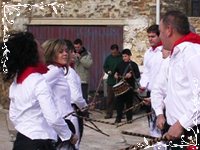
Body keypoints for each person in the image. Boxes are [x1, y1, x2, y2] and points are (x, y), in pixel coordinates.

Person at [0, 32, 77, 150]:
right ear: (33, 54)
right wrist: (68, 135)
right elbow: (53, 117)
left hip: (22, 140)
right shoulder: (38, 81)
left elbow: (13, 115)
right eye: (40, 47)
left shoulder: (18, 81)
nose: (43, 50)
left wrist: (26, 127)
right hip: (39, 142)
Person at [158, 10, 200, 149]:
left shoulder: (192, 53)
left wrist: (181, 124)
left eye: (160, 32)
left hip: (190, 131)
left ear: (169, 30)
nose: (160, 37)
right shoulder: (176, 55)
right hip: (177, 130)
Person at [42, 39, 78, 150]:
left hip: (63, 121)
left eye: (66, 51)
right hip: (60, 124)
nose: (65, 54)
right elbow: (38, 89)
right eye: (60, 52)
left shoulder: (59, 70)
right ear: (52, 54)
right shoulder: (54, 71)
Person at [139, 24, 164, 143]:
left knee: (161, 122)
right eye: (148, 36)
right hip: (150, 92)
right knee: (151, 121)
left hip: (162, 93)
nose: (150, 39)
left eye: (153, 36)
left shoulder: (164, 52)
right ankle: (155, 144)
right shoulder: (148, 52)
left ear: (160, 36)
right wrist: (143, 84)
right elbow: (146, 71)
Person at [64, 39, 88, 150]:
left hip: (64, 112)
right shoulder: (70, 72)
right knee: (74, 144)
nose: (74, 54)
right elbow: (76, 97)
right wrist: (85, 108)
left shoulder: (58, 70)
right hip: (72, 111)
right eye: (72, 51)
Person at [114, 49, 140, 123]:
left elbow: (137, 75)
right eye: (123, 56)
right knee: (119, 103)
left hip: (129, 87)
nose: (124, 58)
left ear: (129, 56)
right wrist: (115, 75)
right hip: (121, 87)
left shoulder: (134, 65)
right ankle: (118, 118)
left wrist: (131, 75)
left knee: (129, 103)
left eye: (125, 56)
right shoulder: (119, 64)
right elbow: (115, 72)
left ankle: (129, 118)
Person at [103, 44, 123, 119]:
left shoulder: (121, 57)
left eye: (114, 52)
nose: (113, 54)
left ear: (117, 51)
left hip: (120, 81)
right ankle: (109, 113)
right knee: (110, 98)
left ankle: (121, 113)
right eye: (112, 52)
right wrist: (108, 71)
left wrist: (119, 73)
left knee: (120, 98)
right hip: (111, 81)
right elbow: (105, 67)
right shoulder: (108, 58)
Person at [73, 38, 93, 104]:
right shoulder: (72, 53)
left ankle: (85, 113)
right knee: (75, 98)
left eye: (78, 47)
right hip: (74, 79)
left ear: (81, 46)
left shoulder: (87, 54)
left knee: (84, 98)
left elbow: (88, 65)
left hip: (83, 79)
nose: (76, 49)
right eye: (75, 47)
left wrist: (80, 58)